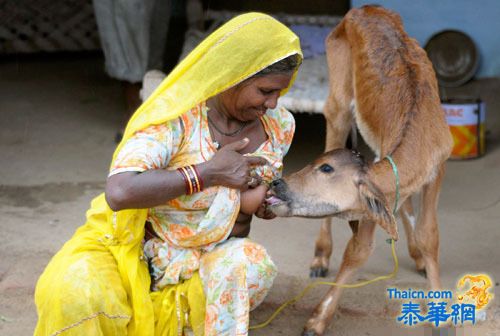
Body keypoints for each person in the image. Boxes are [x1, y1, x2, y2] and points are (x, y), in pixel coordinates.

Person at [34, 12, 302, 336]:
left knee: (247, 265)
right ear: (235, 74)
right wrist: (207, 174)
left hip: (205, 262)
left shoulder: (280, 126)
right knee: (76, 289)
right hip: (138, 253)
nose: (273, 103)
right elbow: (120, 192)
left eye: (280, 93)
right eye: (265, 91)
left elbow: (244, 213)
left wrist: (262, 204)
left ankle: (185, 314)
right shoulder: (177, 117)